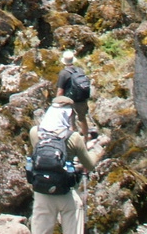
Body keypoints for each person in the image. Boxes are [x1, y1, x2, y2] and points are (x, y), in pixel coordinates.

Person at [28, 96, 104, 234]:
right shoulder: (74, 138)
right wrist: (98, 150)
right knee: (76, 209)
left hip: (42, 192)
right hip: (65, 192)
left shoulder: (35, 132)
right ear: (69, 114)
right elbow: (90, 164)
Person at [56, 51, 90, 139]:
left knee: (71, 122)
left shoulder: (63, 73)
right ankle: (86, 138)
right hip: (81, 99)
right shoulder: (80, 70)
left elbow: (60, 91)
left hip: (70, 100)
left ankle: (73, 141)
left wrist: (57, 102)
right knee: (82, 119)